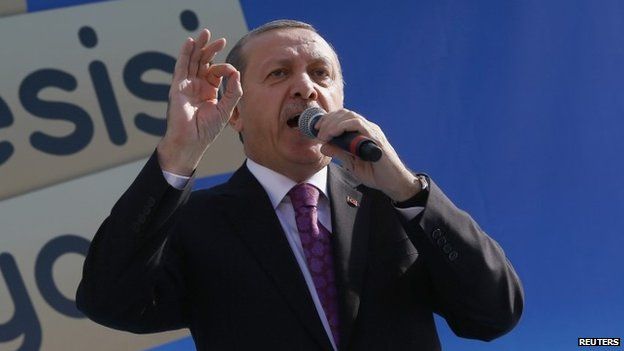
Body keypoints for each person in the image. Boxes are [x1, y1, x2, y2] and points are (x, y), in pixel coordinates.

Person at [76, 19, 523, 351]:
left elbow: (493, 314)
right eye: (278, 73)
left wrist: (408, 191)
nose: (306, 88)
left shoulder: (397, 204)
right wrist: (178, 152)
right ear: (234, 113)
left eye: (320, 73)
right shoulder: (197, 224)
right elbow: (109, 301)